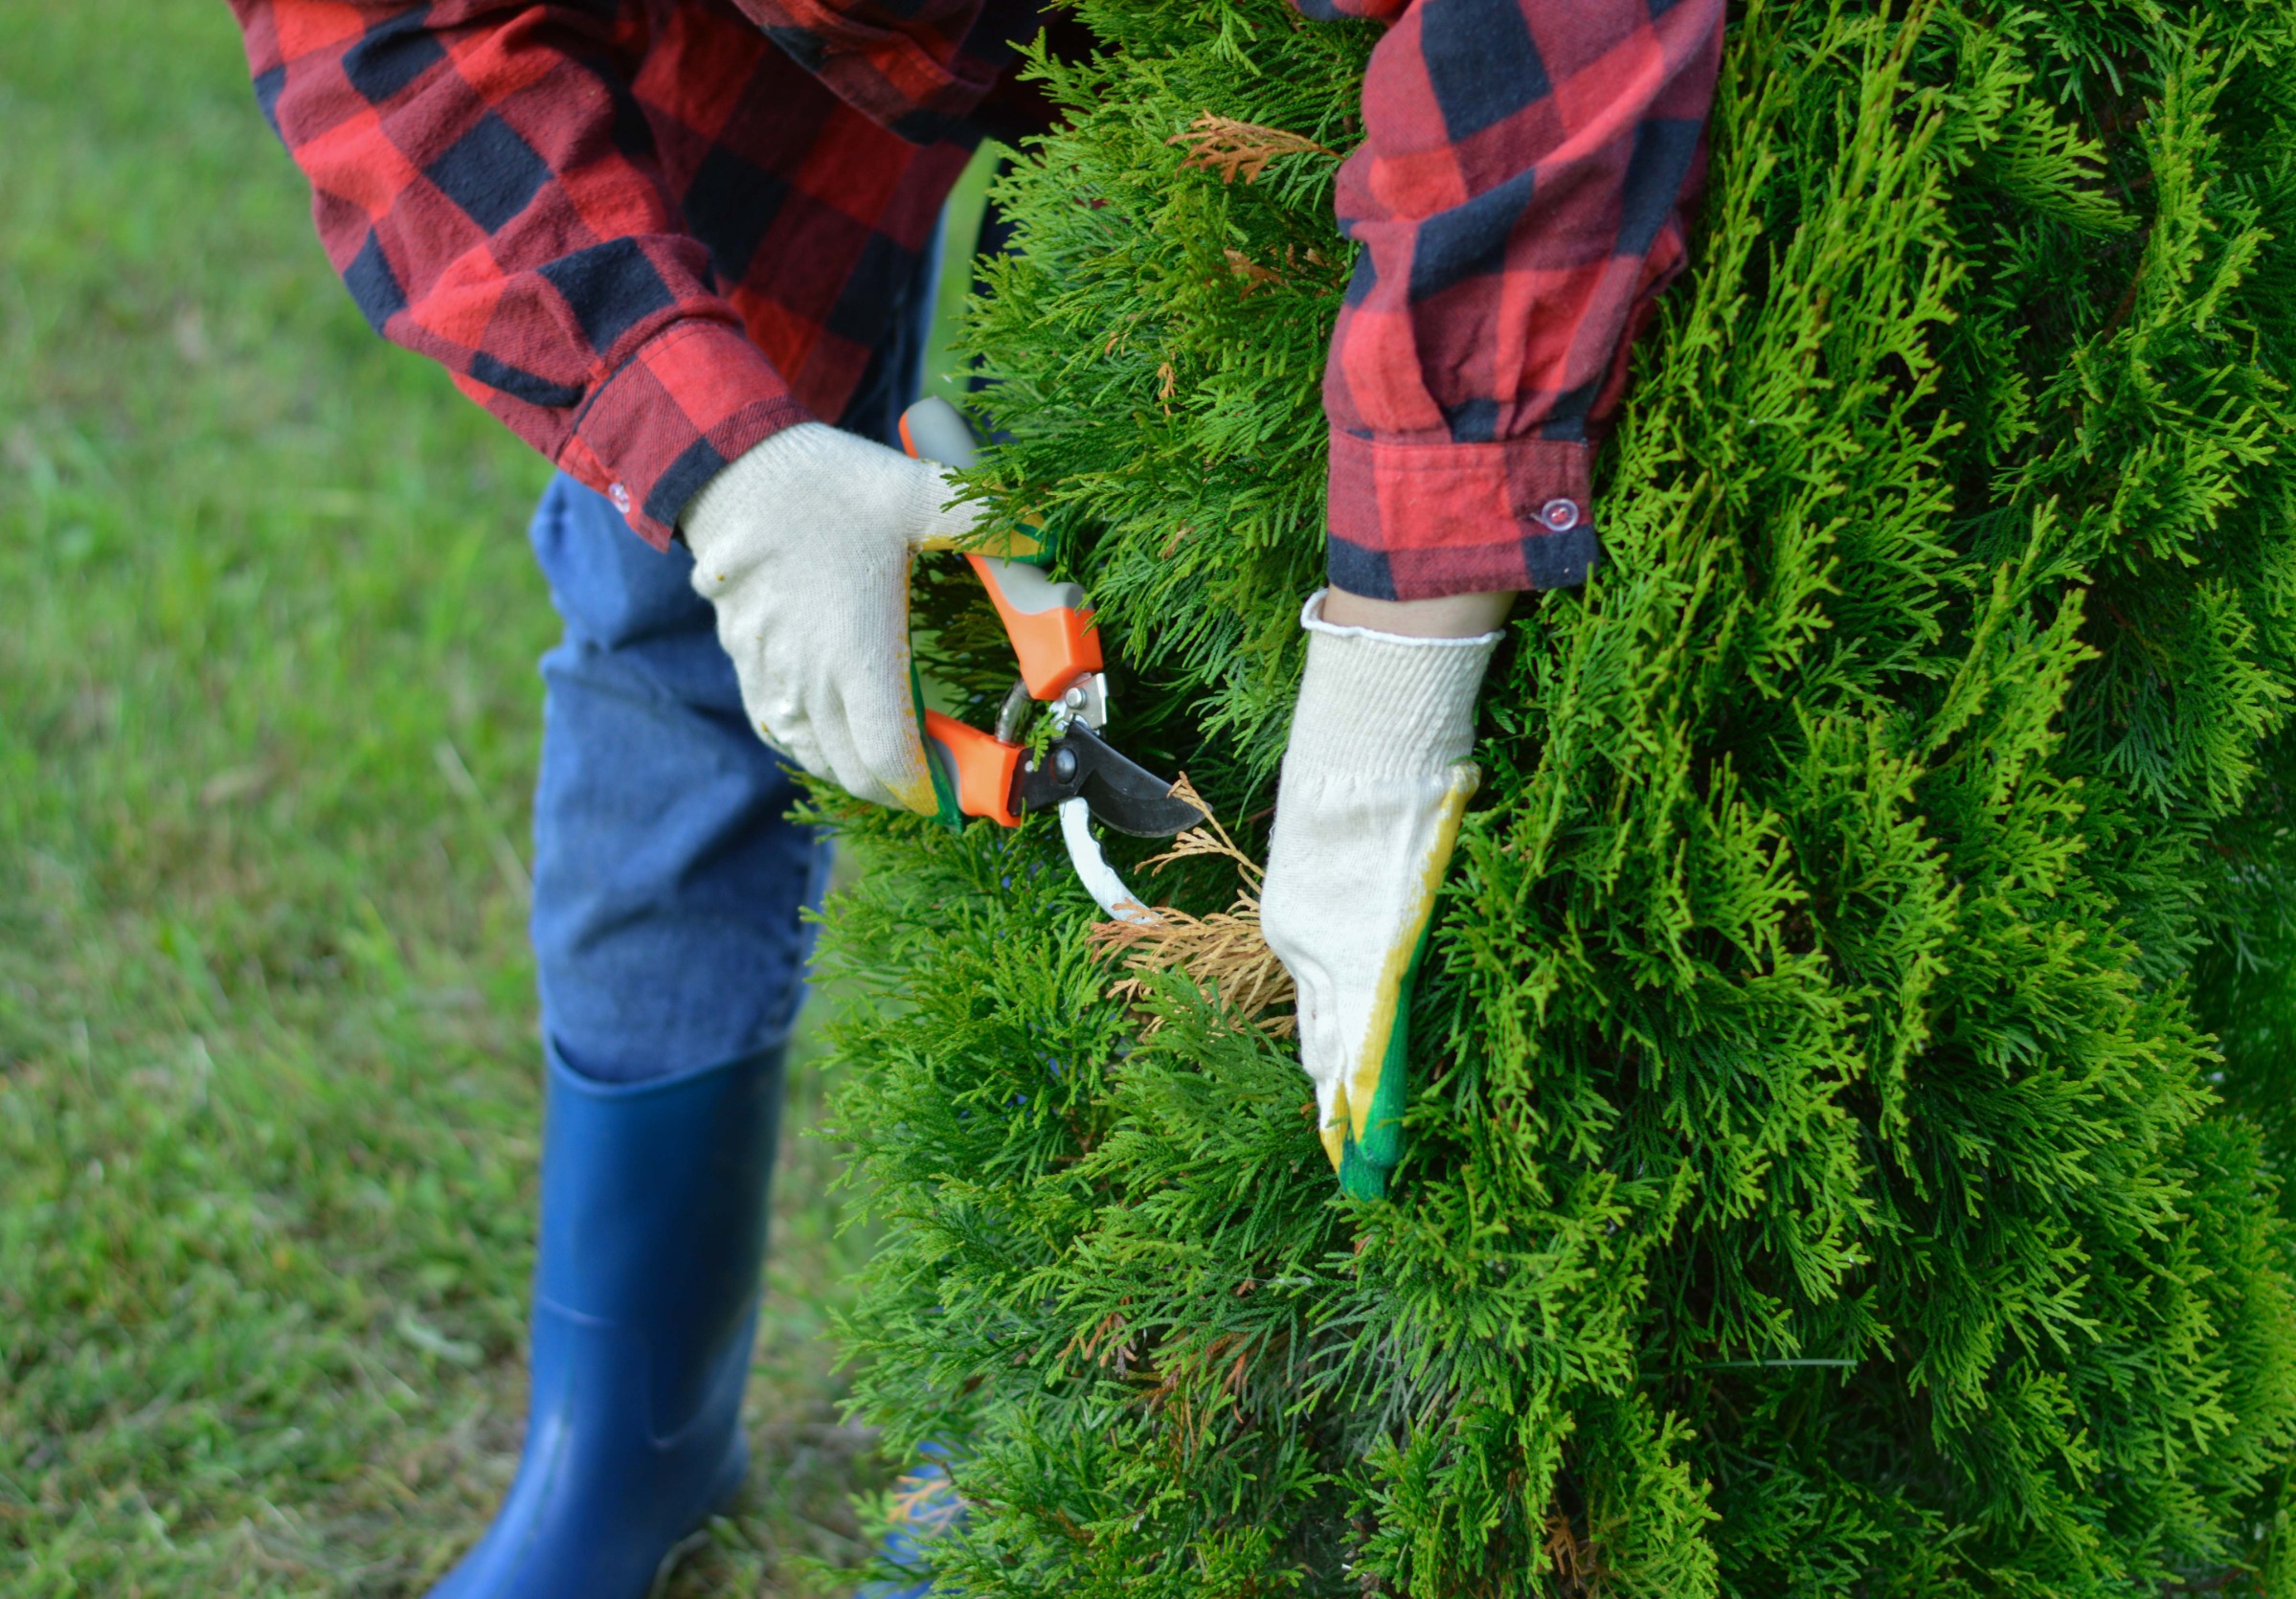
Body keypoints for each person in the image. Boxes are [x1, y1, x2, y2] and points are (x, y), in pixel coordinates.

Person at [225, 0, 1723, 1593]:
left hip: (1225, 52)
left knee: (1136, 567)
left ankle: (1044, 1412)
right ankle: (616, 1447)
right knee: (663, 602)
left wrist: (1401, 639)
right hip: (744, 44)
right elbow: (376, 41)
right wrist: (720, 468)